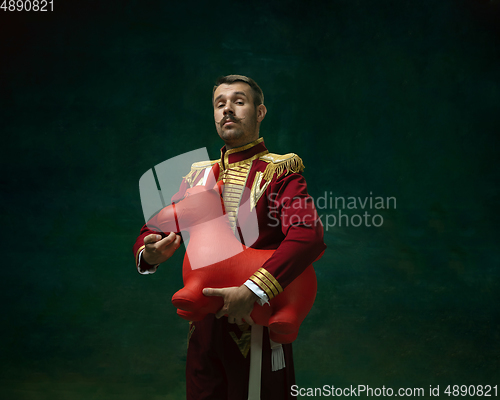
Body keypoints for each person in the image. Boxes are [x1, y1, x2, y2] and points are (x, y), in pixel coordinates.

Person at [132, 75, 326, 399]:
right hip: (203, 329)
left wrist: (253, 289)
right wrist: (148, 253)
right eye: (220, 104)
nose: (227, 110)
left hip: (260, 325)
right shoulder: (198, 174)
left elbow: (308, 235)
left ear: (260, 111)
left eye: (238, 101)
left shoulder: (281, 172)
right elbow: (156, 227)